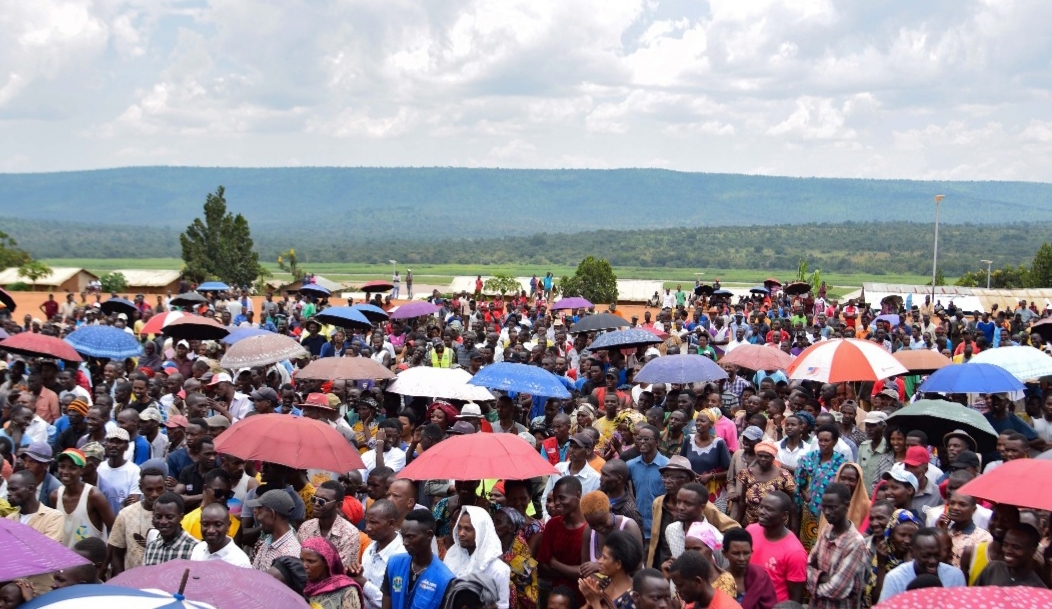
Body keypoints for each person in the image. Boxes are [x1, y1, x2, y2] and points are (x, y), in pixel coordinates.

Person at [805, 482, 869, 609]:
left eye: (833, 507)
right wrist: (822, 577)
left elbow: (836, 589)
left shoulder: (856, 543)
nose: (827, 512)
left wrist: (813, 581)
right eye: (824, 507)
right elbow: (807, 565)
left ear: (846, 506)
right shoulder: (827, 530)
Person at [381, 508, 455, 609]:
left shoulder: (445, 579)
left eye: (410, 537)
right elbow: (387, 599)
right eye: (403, 536)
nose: (404, 542)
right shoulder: (394, 563)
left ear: (429, 535)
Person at [794, 424, 848, 553]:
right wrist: (804, 495)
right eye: (820, 440)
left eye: (827, 440)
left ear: (834, 442)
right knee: (807, 543)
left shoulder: (841, 462)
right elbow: (798, 482)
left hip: (831, 510)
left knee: (827, 543)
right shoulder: (808, 458)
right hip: (809, 510)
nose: (823, 443)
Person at [747, 492, 807, 605]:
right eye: (761, 507)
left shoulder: (795, 552)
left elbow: (795, 601)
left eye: (769, 509)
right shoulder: (750, 531)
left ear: (784, 515)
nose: (761, 512)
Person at [446, 506, 511, 609]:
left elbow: (501, 606)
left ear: (481, 531)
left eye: (468, 529)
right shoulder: (452, 556)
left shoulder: (499, 570)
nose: (461, 533)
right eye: (459, 527)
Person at [877, 527, 965, 602]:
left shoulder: (955, 576)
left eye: (937, 555)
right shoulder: (895, 578)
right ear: (912, 553)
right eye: (926, 556)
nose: (932, 561)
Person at [537, 477, 587, 605]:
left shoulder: (590, 528)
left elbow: (586, 572)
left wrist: (556, 564)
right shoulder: (552, 525)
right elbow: (543, 566)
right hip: (557, 599)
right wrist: (572, 572)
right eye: (555, 498)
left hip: (583, 598)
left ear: (578, 495)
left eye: (562, 498)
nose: (557, 503)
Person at [51, 448, 115, 549]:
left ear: (82, 470)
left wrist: (106, 562)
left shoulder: (94, 496)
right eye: (62, 466)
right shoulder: (55, 496)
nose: (65, 472)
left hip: (91, 563)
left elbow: (115, 531)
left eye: (72, 468)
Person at [109, 466, 167, 574]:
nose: (155, 494)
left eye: (159, 489)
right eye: (149, 489)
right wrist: (122, 581)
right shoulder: (126, 514)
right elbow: (117, 554)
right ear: (141, 488)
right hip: (132, 583)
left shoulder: (172, 515)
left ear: (165, 487)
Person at [354, 499, 407, 609]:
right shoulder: (370, 548)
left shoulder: (402, 556)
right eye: (367, 522)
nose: (367, 527)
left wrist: (363, 583)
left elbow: (394, 602)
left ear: (391, 523)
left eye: (373, 522)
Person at [299, 480, 361, 570]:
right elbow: (297, 561)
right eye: (314, 499)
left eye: (322, 501)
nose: (316, 504)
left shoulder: (350, 533)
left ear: (338, 505)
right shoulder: (305, 527)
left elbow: (337, 570)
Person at [580, 491, 644, 577]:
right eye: (593, 525)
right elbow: (585, 570)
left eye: (602, 522)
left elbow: (637, 567)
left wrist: (600, 567)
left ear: (610, 509)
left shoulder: (628, 526)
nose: (599, 528)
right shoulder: (588, 531)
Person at [864, 509, 922, 605]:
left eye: (911, 536)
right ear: (890, 534)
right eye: (902, 535)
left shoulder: (919, 559)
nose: (907, 540)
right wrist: (881, 565)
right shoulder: (882, 555)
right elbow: (877, 600)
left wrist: (909, 565)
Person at [734, 440, 796, 528]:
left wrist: (793, 530)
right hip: (751, 524)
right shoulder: (747, 473)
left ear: (773, 457)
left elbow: (792, 505)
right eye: (760, 456)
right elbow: (743, 502)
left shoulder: (784, 475)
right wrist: (736, 524)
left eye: (767, 457)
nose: (763, 459)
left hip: (776, 526)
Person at [540, 433, 600, 519]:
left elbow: (592, 510)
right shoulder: (558, 468)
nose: (571, 450)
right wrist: (547, 518)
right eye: (571, 446)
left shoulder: (595, 479)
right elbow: (546, 497)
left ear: (588, 451)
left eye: (576, 448)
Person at [578, 530, 644, 609]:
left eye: (605, 557)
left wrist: (595, 602)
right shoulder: (605, 583)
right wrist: (588, 603)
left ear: (618, 564)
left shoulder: (632, 598)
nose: (599, 561)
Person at [681, 408, 731, 512]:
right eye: (697, 420)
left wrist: (710, 476)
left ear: (711, 424)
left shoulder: (718, 443)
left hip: (713, 491)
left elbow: (729, 471)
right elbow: (681, 463)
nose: (698, 423)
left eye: (702, 421)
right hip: (691, 488)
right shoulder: (689, 439)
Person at [626, 424, 668, 545]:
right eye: (639, 439)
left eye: (646, 439)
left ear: (656, 442)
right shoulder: (631, 465)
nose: (642, 442)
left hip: (660, 525)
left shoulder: (666, 466)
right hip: (638, 526)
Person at [974, 523, 1048, 588]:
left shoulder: (1037, 587)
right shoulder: (993, 569)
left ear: (1032, 551)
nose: (1008, 551)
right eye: (1005, 545)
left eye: (1016, 547)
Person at [492, 507, 539, 609]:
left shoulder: (520, 545)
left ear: (511, 527)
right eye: (493, 521)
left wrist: (506, 560)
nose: (493, 525)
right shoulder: (493, 543)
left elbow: (529, 570)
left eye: (498, 522)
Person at [302, 536, 366, 609]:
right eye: (302, 560)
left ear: (327, 562)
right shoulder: (302, 585)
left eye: (311, 561)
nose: (304, 566)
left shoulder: (346, 590)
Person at [721, 527, 778, 609]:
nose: (742, 558)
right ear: (725, 553)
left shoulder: (760, 576)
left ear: (751, 552)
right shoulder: (719, 580)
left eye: (746, 553)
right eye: (736, 553)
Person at [249, 489, 302, 571]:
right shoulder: (268, 540)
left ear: (272, 514)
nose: (255, 513)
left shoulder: (290, 554)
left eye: (259, 509)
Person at [668, 550, 742, 609]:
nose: (677, 590)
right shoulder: (695, 604)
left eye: (680, 585)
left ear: (698, 581)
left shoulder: (726, 606)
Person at [4, 469, 63, 542]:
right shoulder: (9, 519)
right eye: (8, 490)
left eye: (13, 489)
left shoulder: (53, 517)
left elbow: (48, 548)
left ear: (30, 489)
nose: (9, 494)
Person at [143, 492, 198, 566]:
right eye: (158, 517)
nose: (163, 522)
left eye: (169, 517)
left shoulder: (194, 548)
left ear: (181, 517)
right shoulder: (151, 547)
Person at [190, 502, 252, 567]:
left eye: (218, 525)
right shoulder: (198, 549)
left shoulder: (239, 562)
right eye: (205, 524)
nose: (211, 530)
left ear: (228, 525)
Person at [97, 427, 142, 515]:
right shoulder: (99, 468)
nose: (114, 445)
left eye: (119, 442)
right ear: (105, 444)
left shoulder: (134, 471)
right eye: (111, 441)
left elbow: (133, 503)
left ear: (127, 447)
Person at [815, 463, 870, 534]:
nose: (846, 483)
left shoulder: (867, 506)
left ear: (858, 481)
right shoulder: (830, 501)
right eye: (843, 478)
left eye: (851, 480)